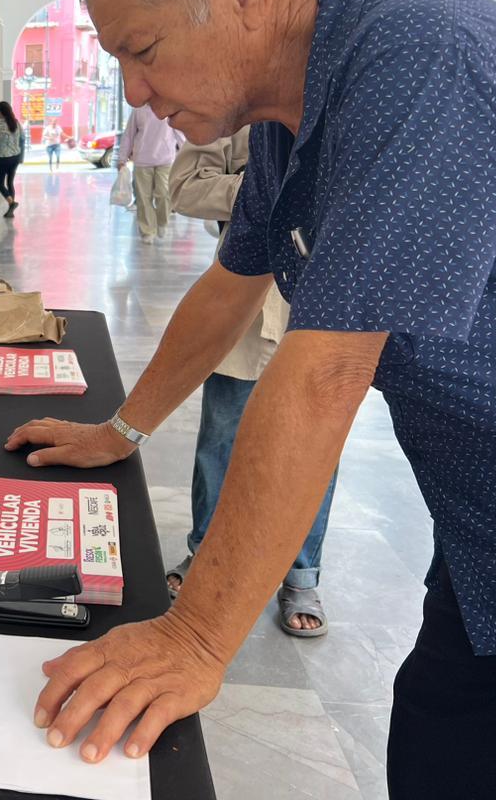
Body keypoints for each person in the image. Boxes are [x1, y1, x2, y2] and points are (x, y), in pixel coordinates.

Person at [5, 0, 496, 797]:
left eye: (145, 50)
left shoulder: (424, 57)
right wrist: (119, 430)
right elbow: (231, 286)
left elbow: (326, 371)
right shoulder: (292, 117)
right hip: (494, 541)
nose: (133, 94)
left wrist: (197, 636)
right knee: (444, 754)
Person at [168, 127, 336, 637]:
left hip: (323, 304)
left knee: (316, 448)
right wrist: (261, 191)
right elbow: (185, 185)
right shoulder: (239, 113)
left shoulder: (355, 93)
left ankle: (301, 576)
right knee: (220, 439)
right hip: (244, 302)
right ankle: (205, 553)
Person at [117, 104, 184, 243]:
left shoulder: (169, 108)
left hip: (165, 160)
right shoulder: (138, 110)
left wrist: (189, 157)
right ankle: (147, 231)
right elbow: (129, 135)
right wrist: (122, 158)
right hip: (142, 160)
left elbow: (180, 134)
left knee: (164, 194)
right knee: (143, 199)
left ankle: (162, 222)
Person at [0, 101, 27, 218]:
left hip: (4, 158)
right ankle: (11, 211)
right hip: (15, 157)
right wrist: (21, 157)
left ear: (0, 112)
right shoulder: (16, 123)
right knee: (10, 182)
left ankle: (11, 203)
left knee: (0, 183)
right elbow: (23, 139)